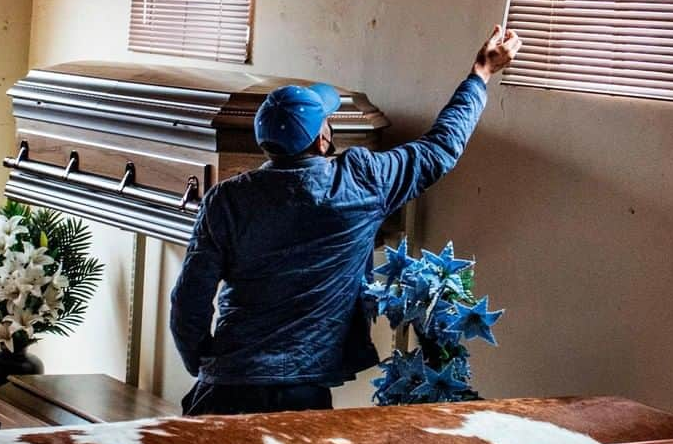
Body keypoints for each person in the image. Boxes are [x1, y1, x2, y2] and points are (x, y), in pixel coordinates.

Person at [170, 25, 522, 416]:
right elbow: (441, 146)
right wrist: (481, 74)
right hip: (304, 392)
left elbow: (188, 303)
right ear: (322, 140)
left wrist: (206, 362)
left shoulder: (227, 200)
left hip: (226, 386)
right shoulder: (362, 180)